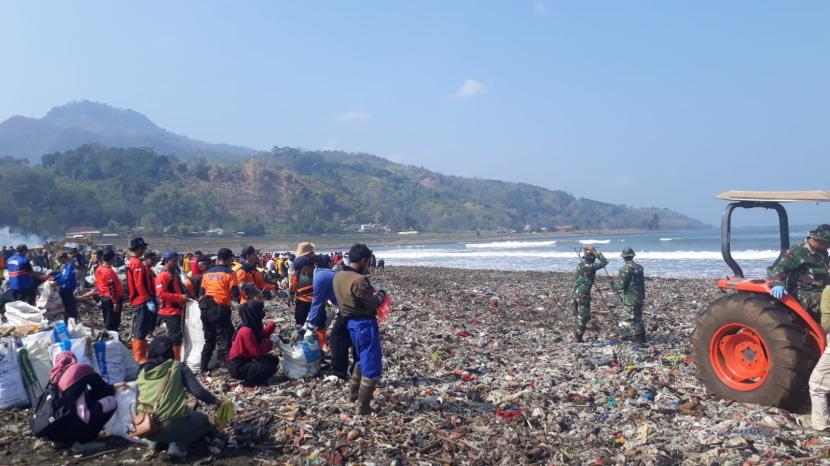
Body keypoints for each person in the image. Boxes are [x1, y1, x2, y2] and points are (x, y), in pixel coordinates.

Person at [136, 336, 227, 459]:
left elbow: (139, 398)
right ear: (171, 352)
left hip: (145, 428)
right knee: (203, 420)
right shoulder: (178, 367)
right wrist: (218, 402)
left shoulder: (141, 371)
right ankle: (178, 446)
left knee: (182, 413)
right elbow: (198, 392)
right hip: (170, 426)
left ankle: (156, 443)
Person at [333, 244, 387, 415]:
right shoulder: (359, 281)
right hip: (364, 323)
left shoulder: (339, 275)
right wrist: (381, 296)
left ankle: (353, 395)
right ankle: (363, 407)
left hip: (350, 323)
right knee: (371, 362)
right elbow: (371, 303)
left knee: (360, 358)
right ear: (364, 260)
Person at [40, 351, 116, 450]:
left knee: (86, 398)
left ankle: (63, 442)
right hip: (76, 427)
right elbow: (103, 389)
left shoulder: (54, 377)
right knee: (111, 401)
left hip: (55, 431)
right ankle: (85, 440)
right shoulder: (81, 369)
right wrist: (114, 387)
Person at [768, 224, 830, 316]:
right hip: (802, 293)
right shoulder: (798, 251)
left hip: (821, 290)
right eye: (828, 243)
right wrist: (777, 284)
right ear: (819, 240)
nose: (829, 246)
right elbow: (779, 268)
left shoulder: (822, 251)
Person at [198, 248, 240, 372]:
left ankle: (203, 368)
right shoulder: (230, 273)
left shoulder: (207, 273)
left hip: (205, 307)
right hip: (220, 308)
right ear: (228, 259)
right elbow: (235, 293)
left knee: (209, 338)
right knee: (229, 336)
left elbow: (201, 292)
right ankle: (230, 366)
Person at [227, 300, 278, 386]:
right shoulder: (246, 331)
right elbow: (256, 353)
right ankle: (249, 383)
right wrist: (269, 345)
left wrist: (272, 325)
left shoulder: (250, 325)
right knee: (268, 366)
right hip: (238, 366)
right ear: (254, 313)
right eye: (259, 311)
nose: (262, 313)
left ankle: (254, 378)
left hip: (246, 361)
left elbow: (261, 334)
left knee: (273, 360)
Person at [126, 237, 157, 364]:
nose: (144, 250)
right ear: (138, 248)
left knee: (141, 329)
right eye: (143, 248)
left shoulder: (133, 261)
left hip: (140, 299)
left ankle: (141, 355)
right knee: (140, 328)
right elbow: (139, 284)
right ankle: (139, 357)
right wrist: (148, 299)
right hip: (141, 300)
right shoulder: (137, 263)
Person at [155, 251, 188, 361]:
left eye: (177, 261)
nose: (176, 263)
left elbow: (182, 288)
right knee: (176, 337)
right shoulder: (162, 276)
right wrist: (180, 298)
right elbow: (161, 294)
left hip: (178, 310)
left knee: (178, 335)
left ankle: (177, 357)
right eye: (173, 261)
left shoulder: (175, 275)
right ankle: (176, 360)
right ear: (167, 261)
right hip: (169, 311)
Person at [572, 246, 609, 342]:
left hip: (576, 293)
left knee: (579, 315)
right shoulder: (591, 266)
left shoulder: (580, 265)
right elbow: (605, 262)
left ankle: (577, 336)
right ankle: (578, 338)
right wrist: (595, 252)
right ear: (592, 258)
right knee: (583, 317)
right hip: (583, 294)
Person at [611, 247, 646, 343]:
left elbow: (621, 286)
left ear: (623, 257)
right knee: (638, 318)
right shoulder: (640, 267)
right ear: (632, 256)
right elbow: (642, 283)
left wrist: (613, 286)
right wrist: (643, 296)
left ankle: (635, 338)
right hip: (639, 296)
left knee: (629, 319)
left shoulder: (624, 269)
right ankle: (642, 337)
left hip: (630, 299)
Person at [291, 242, 320, 332]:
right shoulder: (319, 261)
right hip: (315, 298)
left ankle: (301, 336)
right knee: (314, 321)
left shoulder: (299, 263)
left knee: (300, 320)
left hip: (302, 298)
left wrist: (291, 294)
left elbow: (295, 280)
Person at [95, 248, 124, 332]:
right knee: (113, 322)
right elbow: (112, 288)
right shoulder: (109, 272)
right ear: (112, 258)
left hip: (104, 297)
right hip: (111, 299)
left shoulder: (99, 269)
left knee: (108, 320)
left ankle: (111, 338)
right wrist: (115, 302)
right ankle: (112, 340)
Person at [52, 252, 78, 321]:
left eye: (59, 260)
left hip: (68, 288)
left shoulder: (70, 265)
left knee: (70, 306)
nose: (59, 261)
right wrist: (53, 277)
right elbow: (62, 274)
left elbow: (67, 278)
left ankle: (72, 319)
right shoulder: (66, 265)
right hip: (64, 287)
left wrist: (56, 282)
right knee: (66, 305)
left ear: (63, 258)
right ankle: (67, 318)